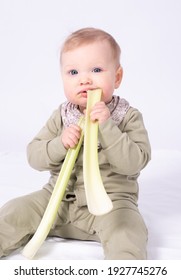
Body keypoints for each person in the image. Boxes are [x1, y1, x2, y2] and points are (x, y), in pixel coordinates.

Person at [0, 27, 151, 259]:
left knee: (128, 231)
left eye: (97, 69)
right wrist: (60, 143)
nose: (84, 79)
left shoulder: (127, 116)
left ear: (117, 77)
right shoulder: (62, 116)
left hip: (111, 205)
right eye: (73, 72)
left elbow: (134, 163)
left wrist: (107, 127)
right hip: (57, 201)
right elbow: (34, 156)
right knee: (14, 211)